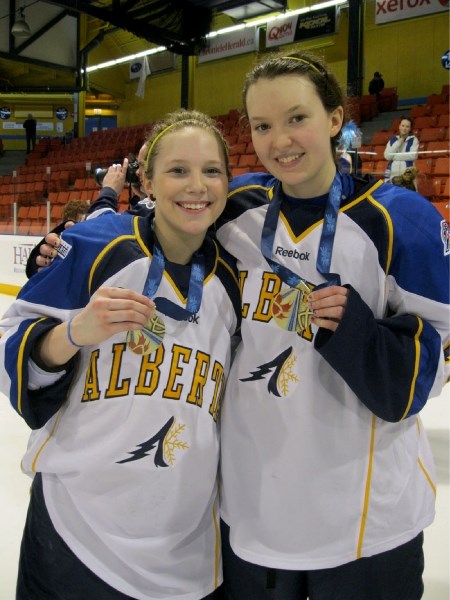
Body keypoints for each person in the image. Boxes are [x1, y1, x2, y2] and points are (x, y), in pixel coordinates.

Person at [214, 50, 449, 600]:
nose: (280, 140)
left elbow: (435, 357)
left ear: (337, 119)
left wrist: (362, 338)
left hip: (365, 523)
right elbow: (158, 240)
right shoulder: (235, 210)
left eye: (297, 118)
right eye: (263, 125)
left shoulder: (399, 218)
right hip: (253, 510)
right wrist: (54, 254)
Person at [0, 109, 241, 599]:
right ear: (147, 179)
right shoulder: (94, 245)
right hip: (76, 534)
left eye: (211, 171)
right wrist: (73, 332)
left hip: (188, 546)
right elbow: (13, 340)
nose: (196, 185)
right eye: (177, 170)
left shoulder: (237, 274)